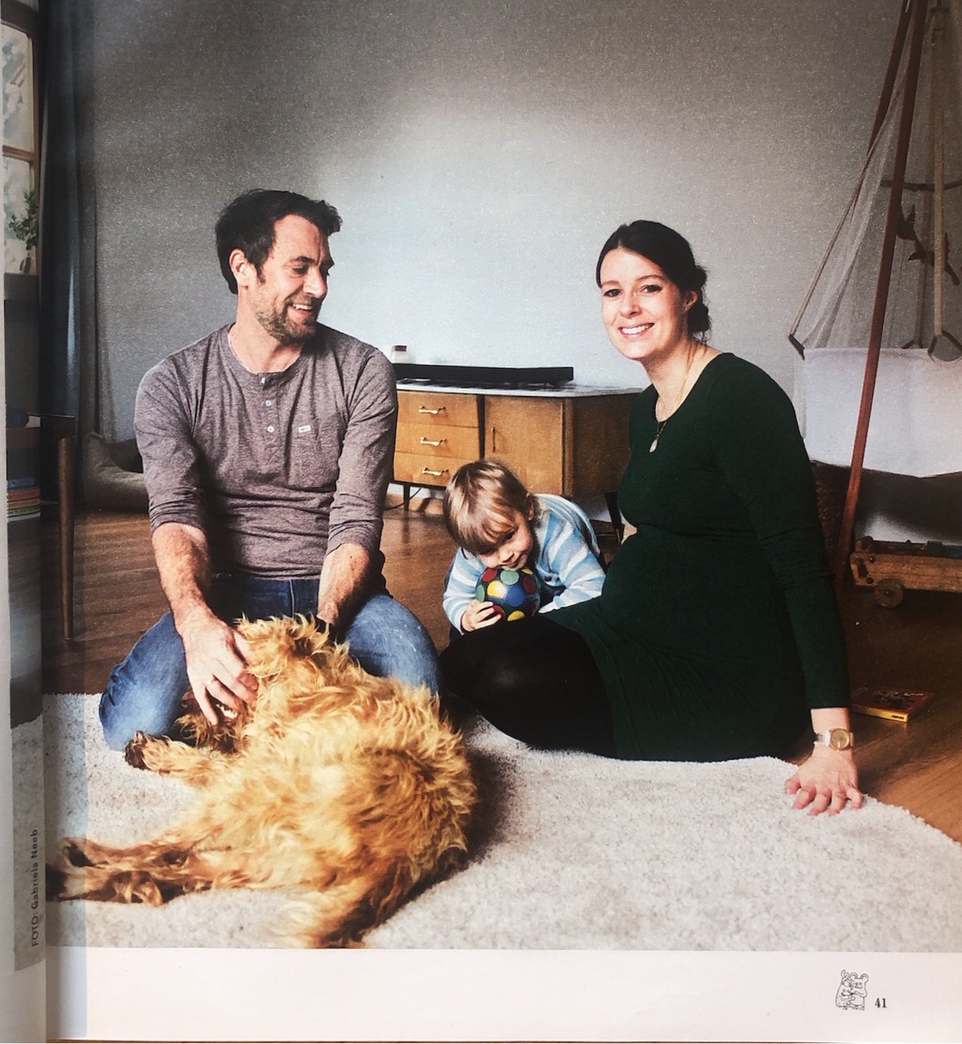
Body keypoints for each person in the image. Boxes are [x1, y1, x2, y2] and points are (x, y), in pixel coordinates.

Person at [441, 220, 863, 816]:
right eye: (612, 292)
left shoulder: (742, 398)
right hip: (632, 624)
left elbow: (803, 571)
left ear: (688, 295)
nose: (628, 308)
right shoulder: (647, 408)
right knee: (462, 657)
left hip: (725, 670)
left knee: (507, 682)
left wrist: (833, 741)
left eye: (649, 288)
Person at [99, 188, 438, 750]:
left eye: (324, 269)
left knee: (419, 698)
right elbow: (177, 519)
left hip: (337, 589)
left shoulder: (364, 371)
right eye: (300, 268)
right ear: (243, 268)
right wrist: (196, 624)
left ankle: (272, 722)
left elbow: (356, 519)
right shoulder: (171, 384)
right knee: (134, 722)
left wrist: (318, 637)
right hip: (227, 590)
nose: (319, 287)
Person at [441, 459, 606, 633]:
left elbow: (593, 586)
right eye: (488, 550)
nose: (505, 556)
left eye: (509, 536)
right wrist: (466, 619)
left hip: (569, 525)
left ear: (528, 509)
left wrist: (537, 621)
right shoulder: (476, 545)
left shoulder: (558, 534)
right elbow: (455, 597)